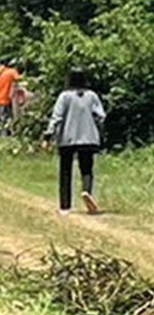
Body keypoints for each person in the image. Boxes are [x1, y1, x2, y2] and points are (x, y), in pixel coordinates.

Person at [46, 69, 107, 215]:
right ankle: (86, 191)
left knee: (65, 171)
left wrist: (49, 134)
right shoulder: (92, 96)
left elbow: (57, 117)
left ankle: (65, 206)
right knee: (87, 169)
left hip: (67, 138)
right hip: (89, 138)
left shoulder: (64, 96)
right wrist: (98, 130)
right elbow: (101, 116)